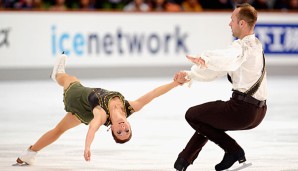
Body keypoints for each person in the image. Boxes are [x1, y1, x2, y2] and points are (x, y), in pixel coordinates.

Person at [16, 53, 184, 165]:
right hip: (85, 112)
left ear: (112, 130)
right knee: (59, 130)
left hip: (76, 96)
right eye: (127, 130)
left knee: (69, 78)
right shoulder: (130, 108)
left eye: (119, 132)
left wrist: (87, 147)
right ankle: (29, 154)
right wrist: (175, 83)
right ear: (129, 125)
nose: (123, 128)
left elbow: (93, 128)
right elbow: (154, 94)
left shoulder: (102, 115)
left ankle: (56, 74)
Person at [173, 3, 267, 171]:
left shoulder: (241, 47)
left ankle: (234, 151)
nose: (229, 23)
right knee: (209, 120)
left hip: (242, 111)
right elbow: (221, 68)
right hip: (259, 112)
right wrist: (190, 75)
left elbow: (227, 58)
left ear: (242, 23)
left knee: (193, 115)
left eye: (232, 19)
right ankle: (183, 161)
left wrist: (205, 59)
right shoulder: (256, 45)